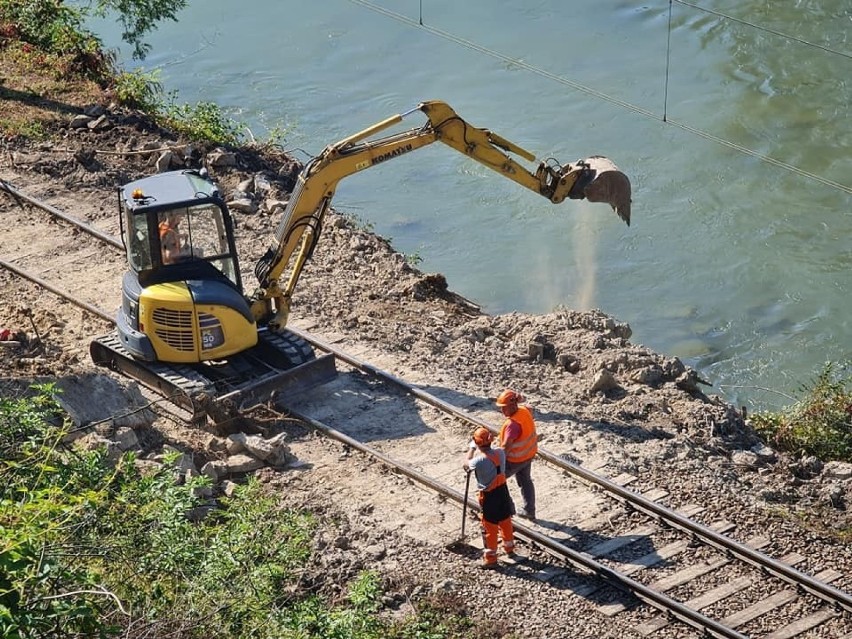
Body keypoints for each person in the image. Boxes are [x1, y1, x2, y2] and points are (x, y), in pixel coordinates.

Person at [464, 427, 515, 568]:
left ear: (477, 442)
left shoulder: (478, 461)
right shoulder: (500, 452)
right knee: (505, 520)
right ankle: (509, 548)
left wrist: (472, 448)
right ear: (491, 440)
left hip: (489, 496)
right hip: (503, 491)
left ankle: (491, 559)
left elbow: (466, 464)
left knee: (489, 526)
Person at [496, 388, 537, 520]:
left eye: (504, 407)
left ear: (512, 406)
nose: (502, 411)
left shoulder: (512, 425)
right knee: (526, 481)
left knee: (497, 481)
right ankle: (529, 510)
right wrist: (519, 398)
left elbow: (505, 448)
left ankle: (509, 509)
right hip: (528, 455)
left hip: (515, 460)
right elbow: (529, 407)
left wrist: (495, 461)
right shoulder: (524, 411)